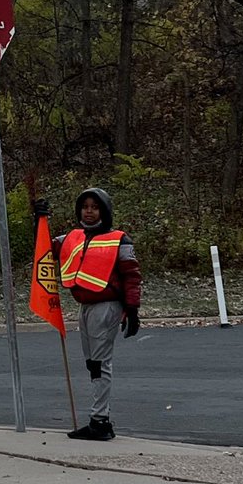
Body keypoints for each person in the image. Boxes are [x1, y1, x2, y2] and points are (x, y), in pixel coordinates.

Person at [54, 187, 141, 440]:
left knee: (101, 364)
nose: (89, 212)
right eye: (85, 207)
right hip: (85, 306)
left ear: (104, 210)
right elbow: (44, 246)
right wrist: (39, 217)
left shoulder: (119, 239)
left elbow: (132, 276)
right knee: (93, 364)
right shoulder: (71, 237)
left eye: (94, 207)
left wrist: (132, 310)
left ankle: (99, 421)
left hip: (107, 306)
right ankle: (100, 418)